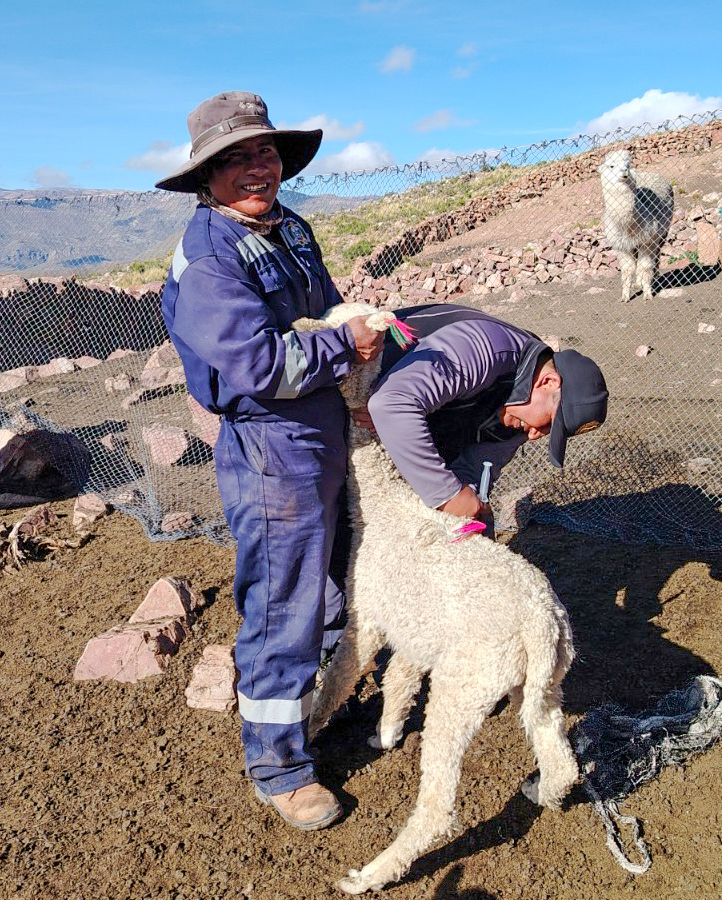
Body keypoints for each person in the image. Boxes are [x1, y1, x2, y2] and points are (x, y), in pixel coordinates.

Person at [156, 91, 382, 831]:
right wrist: (347, 346)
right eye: (235, 159)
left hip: (321, 431)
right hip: (268, 447)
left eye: (264, 153)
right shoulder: (209, 258)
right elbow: (255, 366)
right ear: (206, 177)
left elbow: (324, 307)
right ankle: (277, 766)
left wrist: (352, 361)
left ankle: (313, 710)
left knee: (333, 580)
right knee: (283, 601)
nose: (257, 168)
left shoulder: (291, 230)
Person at [366, 304, 609, 531]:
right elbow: (390, 405)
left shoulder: (519, 413)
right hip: (335, 403)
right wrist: (448, 495)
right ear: (548, 382)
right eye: (548, 424)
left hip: (373, 446)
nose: (535, 435)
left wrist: (473, 510)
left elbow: (474, 473)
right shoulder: (486, 348)